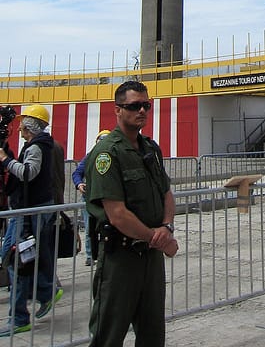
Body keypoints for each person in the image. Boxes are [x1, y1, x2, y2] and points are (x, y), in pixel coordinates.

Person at [85, 80, 178, 347]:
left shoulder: (150, 148)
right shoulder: (107, 154)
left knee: (152, 334)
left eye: (146, 106)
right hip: (121, 261)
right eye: (134, 106)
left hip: (150, 258)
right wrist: (158, 237)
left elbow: (166, 193)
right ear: (117, 110)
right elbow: (117, 214)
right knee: (109, 334)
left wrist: (167, 227)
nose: (142, 111)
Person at [0, 104, 63, 337]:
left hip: (30, 210)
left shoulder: (37, 147)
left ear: (30, 126)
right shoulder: (41, 145)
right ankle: (45, 292)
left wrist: (6, 161)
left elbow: (28, 173)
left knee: (16, 259)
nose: (19, 128)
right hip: (31, 209)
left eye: (23, 123)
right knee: (24, 258)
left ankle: (21, 315)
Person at [72, 130, 111, 265]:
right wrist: (79, 184)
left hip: (107, 197)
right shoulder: (89, 157)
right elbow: (77, 173)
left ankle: (106, 253)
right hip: (89, 197)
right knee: (90, 228)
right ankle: (90, 255)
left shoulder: (113, 156)